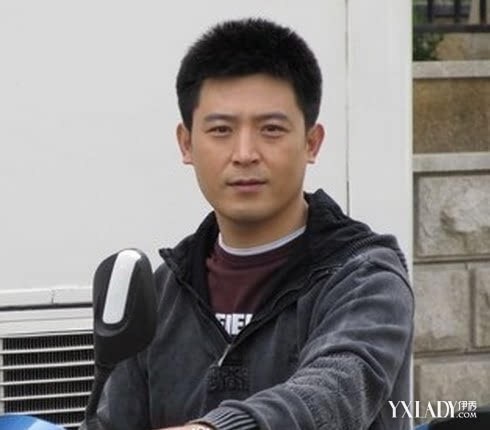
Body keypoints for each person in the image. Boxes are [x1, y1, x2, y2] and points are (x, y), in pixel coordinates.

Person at [83, 18, 414, 430]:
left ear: (311, 143)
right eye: (221, 130)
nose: (244, 153)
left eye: (271, 129)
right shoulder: (164, 289)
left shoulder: (365, 278)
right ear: (186, 144)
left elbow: (332, 396)